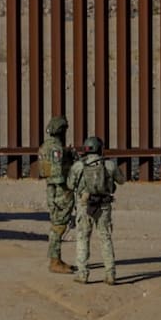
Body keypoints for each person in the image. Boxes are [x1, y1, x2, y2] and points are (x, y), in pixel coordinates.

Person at [65, 135, 125, 285]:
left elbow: (70, 185)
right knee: (105, 238)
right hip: (104, 206)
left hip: (85, 206)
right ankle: (110, 274)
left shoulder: (79, 165)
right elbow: (122, 180)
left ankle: (83, 274)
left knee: (82, 238)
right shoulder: (109, 165)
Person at [37, 115, 75, 274]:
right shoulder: (57, 149)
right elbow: (58, 174)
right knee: (59, 225)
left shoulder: (44, 146)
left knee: (56, 224)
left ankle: (56, 258)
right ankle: (55, 260)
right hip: (60, 189)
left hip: (50, 189)